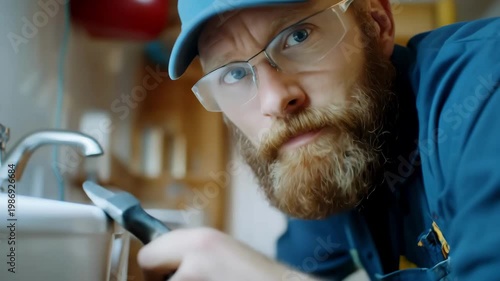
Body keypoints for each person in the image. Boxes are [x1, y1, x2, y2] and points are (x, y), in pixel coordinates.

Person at [137, 0, 500, 280]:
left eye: (298, 36)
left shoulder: (484, 97)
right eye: (234, 74)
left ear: (377, 24)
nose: (274, 100)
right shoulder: (334, 159)